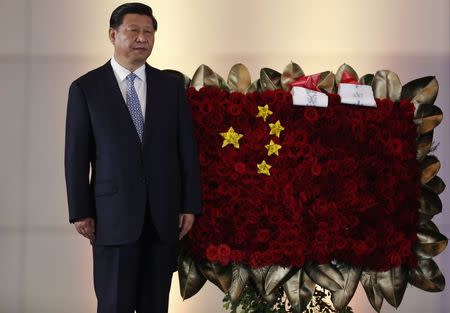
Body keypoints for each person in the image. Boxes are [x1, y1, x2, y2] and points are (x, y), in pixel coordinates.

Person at [64, 3, 202, 313]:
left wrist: (189, 205)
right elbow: (75, 156)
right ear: (113, 35)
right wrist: (79, 210)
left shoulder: (171, 87)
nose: (142, 38)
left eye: (148, 32)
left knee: (156, 305)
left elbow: (186, 150)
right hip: (111, 217)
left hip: (163, 216)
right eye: (133, 31)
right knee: (114, 303)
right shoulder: (86, 88)